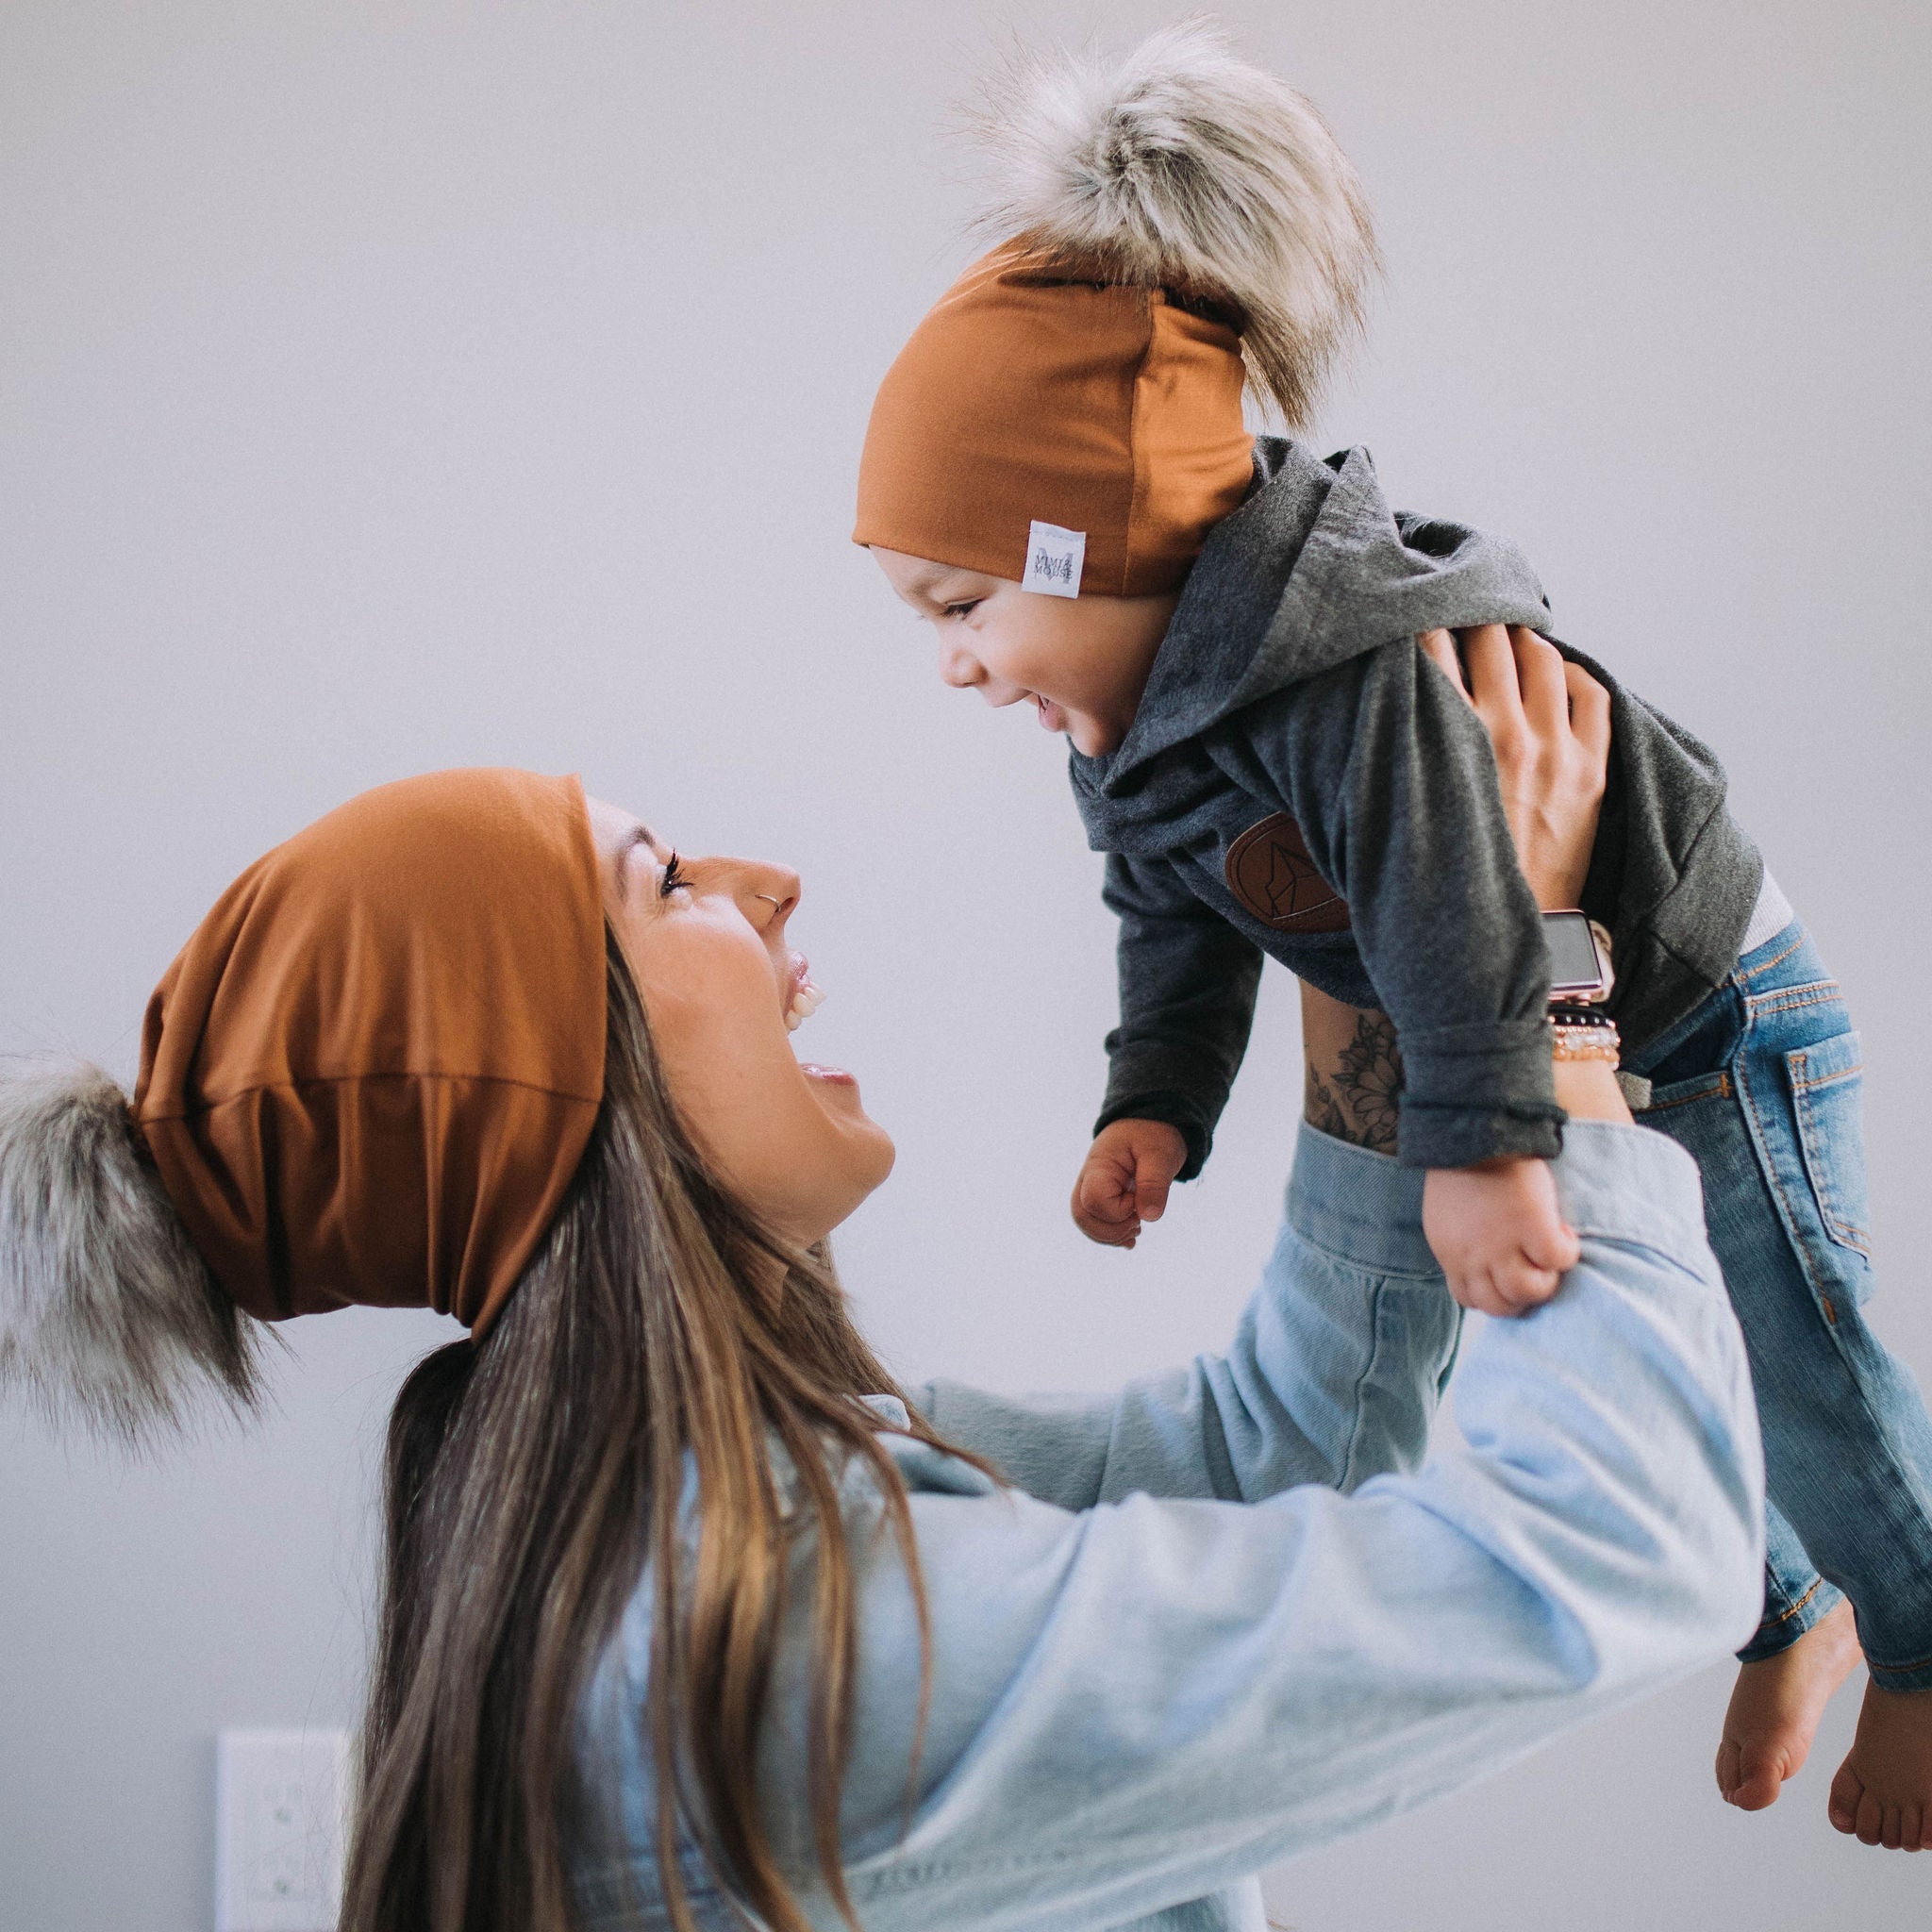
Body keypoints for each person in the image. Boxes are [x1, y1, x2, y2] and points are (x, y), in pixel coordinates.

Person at [0, 652, 1768, 1932]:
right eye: (667, 884)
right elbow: (1611, 1551)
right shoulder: (762, 1645)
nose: (764, 886)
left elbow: (1282, 1442)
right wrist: (1536, 994)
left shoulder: (726, 1507)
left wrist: (1376, 929)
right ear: (551, 1087)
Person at [854, 22, 1932, 1840]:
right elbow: (1171, 928)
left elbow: (1456, 900)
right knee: (1604, 1324)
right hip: (1510, 1029)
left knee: (1789, 1343)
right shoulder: (1121, 743)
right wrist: (1157, 1105)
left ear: (1089, 545)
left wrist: (1488, 1147)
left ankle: (1914, 1653)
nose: (954, 660)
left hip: (1699, 1000)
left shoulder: (1340, 671)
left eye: (964, 604)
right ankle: (1790, 1607)